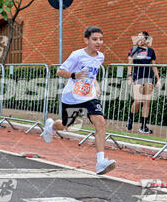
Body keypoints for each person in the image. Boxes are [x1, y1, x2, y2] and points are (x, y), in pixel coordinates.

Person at [40, 26, 116, 175]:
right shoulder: (77, 55)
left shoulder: (100, 56)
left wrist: (96, 85)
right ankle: (50, 127)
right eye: (95, 39)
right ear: (86, 40)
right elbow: (60, 71)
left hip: (89, 96)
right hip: (72, 97)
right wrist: (75, 75)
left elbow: (92, 76)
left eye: (101, 39)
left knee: (100, 122)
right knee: (67, 125)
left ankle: (100, 162)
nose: (98, 42)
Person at [126, 31, 161, 134]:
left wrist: (158, 79)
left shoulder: (151, 51)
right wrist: (129, 76)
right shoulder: (133, 49)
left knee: (147, 102)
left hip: (148, 78)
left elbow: (154, 66)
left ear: (146, 40)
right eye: (138, 38)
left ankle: (143, 126)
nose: (139, 40)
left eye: (141, 38)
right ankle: (130, 118)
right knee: (138, 101)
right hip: (137, 77)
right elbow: (130, 63)